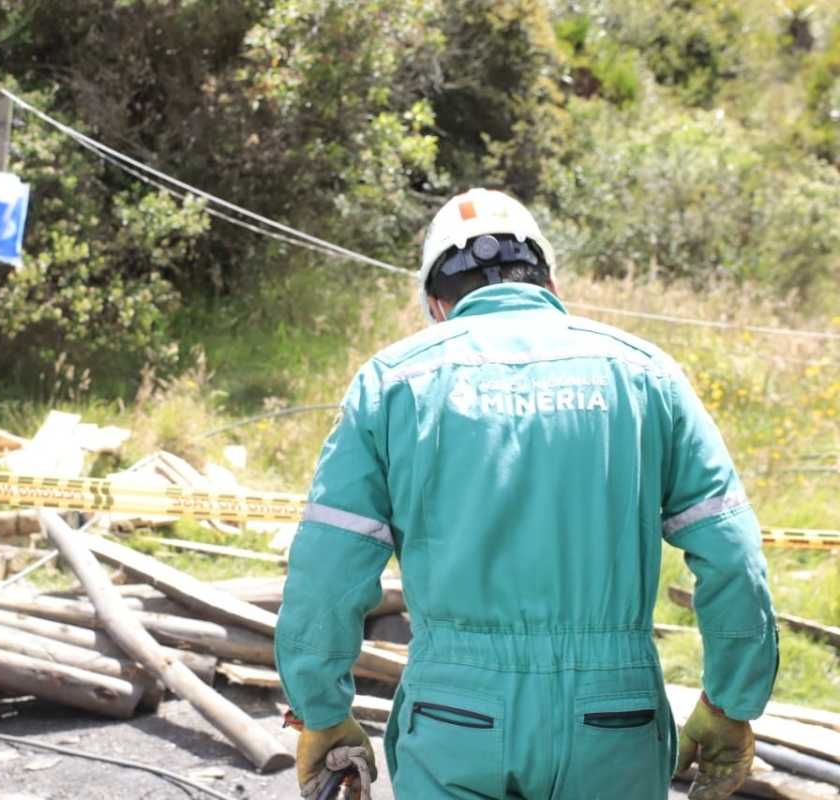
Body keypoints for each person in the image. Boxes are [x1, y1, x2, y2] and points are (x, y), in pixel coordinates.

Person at [275, 188, 778, 800]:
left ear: (437, 304)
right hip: (614, 722)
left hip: (455, 721)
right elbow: (734, 555)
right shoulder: (647, 376)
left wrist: (322, 711)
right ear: (551, 286)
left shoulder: (393, 385)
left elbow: (326, 569)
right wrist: (730, 703)